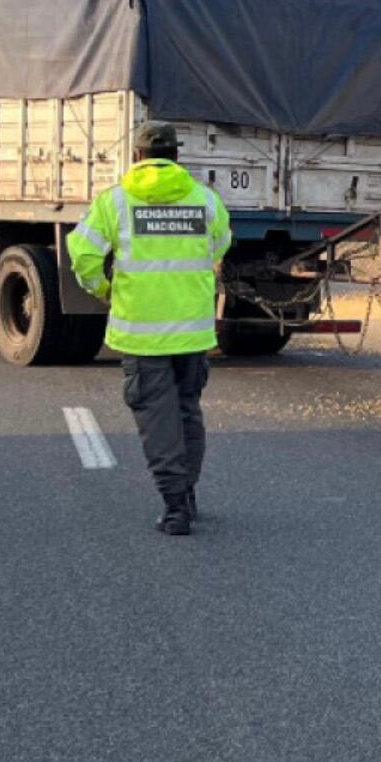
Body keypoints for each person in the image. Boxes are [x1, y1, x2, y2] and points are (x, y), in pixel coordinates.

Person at [67, 121, 231, 535]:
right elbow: (221, 243)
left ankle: (175, 508)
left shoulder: (115, 201)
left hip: (141, 334)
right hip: (192, 332)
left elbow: (83, 255)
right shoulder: (205, 199)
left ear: (138, 156)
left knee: (158, 419)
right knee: (187, 411)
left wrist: (103, 289)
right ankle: (187, 494)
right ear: (176, 156)